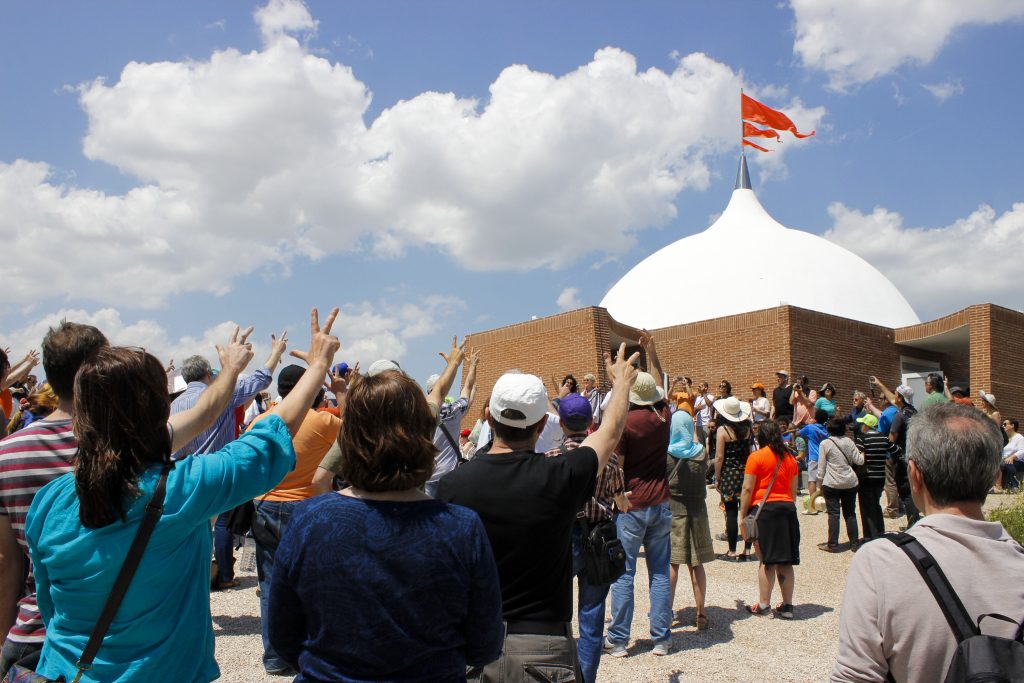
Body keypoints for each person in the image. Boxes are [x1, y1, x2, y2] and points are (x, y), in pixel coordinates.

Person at [24, 309, 340, 683]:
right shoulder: (184, 490)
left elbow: (47, 604)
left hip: (64, 671)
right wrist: (318, 365)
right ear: (160, 409)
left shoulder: (48, 502)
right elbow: (270, 432)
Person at [268, 361, 505, 681]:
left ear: (349, 437)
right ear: (424, 435)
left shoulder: (311, 520)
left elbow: (283, 636)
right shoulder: (462, 528)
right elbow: (485, 645)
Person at [438, 343, 639, 677]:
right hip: (544, 646)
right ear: (544, 423)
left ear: (489, 416)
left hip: (476, 644)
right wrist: (621, 385)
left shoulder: (453, 486)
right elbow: (609, 433)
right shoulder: (560, 475)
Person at [831, 403, 1024, 683]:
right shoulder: (1018, 560)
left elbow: (855, 676)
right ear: (994, 475)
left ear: (915, 474)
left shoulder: (881, 560)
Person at [0, 323, 109, 678]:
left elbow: (7, 565)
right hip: (114, 636)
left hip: (36, 633)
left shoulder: (6, 454)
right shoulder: (126, 448)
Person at [170, 334, 287, 590]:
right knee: (219, 526)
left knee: (192, 536)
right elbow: (260, 379)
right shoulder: (220, 397)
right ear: (206, 374)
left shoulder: (175, 404)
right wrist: (276, 352)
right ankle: (212, 579)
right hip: (216, 474)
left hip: (185, 477)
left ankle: (193, 583)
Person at [247, 363, 342, 676]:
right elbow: (358, 431)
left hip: (263, 505)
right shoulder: (323, 421)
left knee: (270, 583)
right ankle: (308, 653)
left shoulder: (261, 420)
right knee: (311, 582)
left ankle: (274, 657)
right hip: (305, 508)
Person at [544, 392, 626, 683]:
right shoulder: (611, 458)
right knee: (592, 618)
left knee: (556, 616)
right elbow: (621, 500)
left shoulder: (551, 459)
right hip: (598, 538)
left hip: (563, 539)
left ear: (562, 424)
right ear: (591, 422)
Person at [605, 329, 674, 658]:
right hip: (661, 502)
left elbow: (616, 466)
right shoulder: (664, 414)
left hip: (632, 504)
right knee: (660, 572)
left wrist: (618, 498)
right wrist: (653, 352)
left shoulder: (626, 423)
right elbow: (659, 383)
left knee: (625, 572)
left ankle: (619, 640)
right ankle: (661, 638)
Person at [739, 420, 800, 619]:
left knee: (766, 561)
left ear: (761, 436)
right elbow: (793, 491)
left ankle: (764, 604)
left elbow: (748, 488)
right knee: (786, 560)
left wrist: (742, 514)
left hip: (765, 510)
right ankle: (788, 606)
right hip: (787, 508)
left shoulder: (756, 457)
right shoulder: (790, 458)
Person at [666, 410, 714, 632]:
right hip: (698, 511)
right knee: (696, 564)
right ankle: (701, 612)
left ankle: (665, 612)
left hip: (674, 510)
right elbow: (696, 442)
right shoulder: (701, 453)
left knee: (672, 563)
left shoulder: (667, 454)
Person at [424, 349, 479, 497]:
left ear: (429, 391)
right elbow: (467, 388)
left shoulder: (418, 412)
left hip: (427, 476)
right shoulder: (455, 410)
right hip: (450, 475)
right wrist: (473, 366)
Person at [713, 395, 754, 561]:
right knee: (748, 511)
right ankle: (748, 549)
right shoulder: (749, 428)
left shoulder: (723, 430)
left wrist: (716, 478)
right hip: (747, 472)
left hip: (729, 474)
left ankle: (732, 550)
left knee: (731, 512)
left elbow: (719, 457)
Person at [817, 416, 864, 552]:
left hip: (831, 483)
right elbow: (859, 461)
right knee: (850, 513)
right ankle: (854, 544)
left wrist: (820, 484)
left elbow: (821, 469)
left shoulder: (825, 444)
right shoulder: (849, 442)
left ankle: (833, 544)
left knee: (833, 514)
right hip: (850, 481)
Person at [853, 414, 895, 541]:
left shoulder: (862, 439)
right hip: (880, 477)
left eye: (862, 424)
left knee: (866, 507)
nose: (861, 426)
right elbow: (896, 450)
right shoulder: (883, 438)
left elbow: (859, 458)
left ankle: (871, 535)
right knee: (876, 504)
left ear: (866, 426)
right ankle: (880, 531)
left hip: (866, 477)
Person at [798, 410, 829, 516]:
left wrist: (808, 424)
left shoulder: (810, 427)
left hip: (814, 457)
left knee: (812, 480)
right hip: (824, 457)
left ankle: (812, 506)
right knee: (824, 481)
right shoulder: (826, 429)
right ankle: (825, 504)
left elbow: (798, 433)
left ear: (815, 418)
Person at [995, 419, 1024, 492]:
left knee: (1008, 463)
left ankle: (1015, 486)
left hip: (1018, 462)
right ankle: (996, 487)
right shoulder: (1006, 439)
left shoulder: (1019, 437)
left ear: (1012, 426)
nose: (1003, 426)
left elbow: (1022, 451)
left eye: (1005, 424)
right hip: (1005, 460)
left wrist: (1012, 457)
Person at [693, 382, 715, 446]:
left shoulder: (710, 396)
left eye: (700, 386)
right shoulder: (697, 398)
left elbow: (709, 404)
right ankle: (703, 456)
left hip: (707, 423)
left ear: (705, 388)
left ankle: (709, 456)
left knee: (708, 443)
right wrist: (697, 409)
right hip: (698, 424)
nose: (698, 388)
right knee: (700, 444)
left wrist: (704, 393)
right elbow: (694, 412)